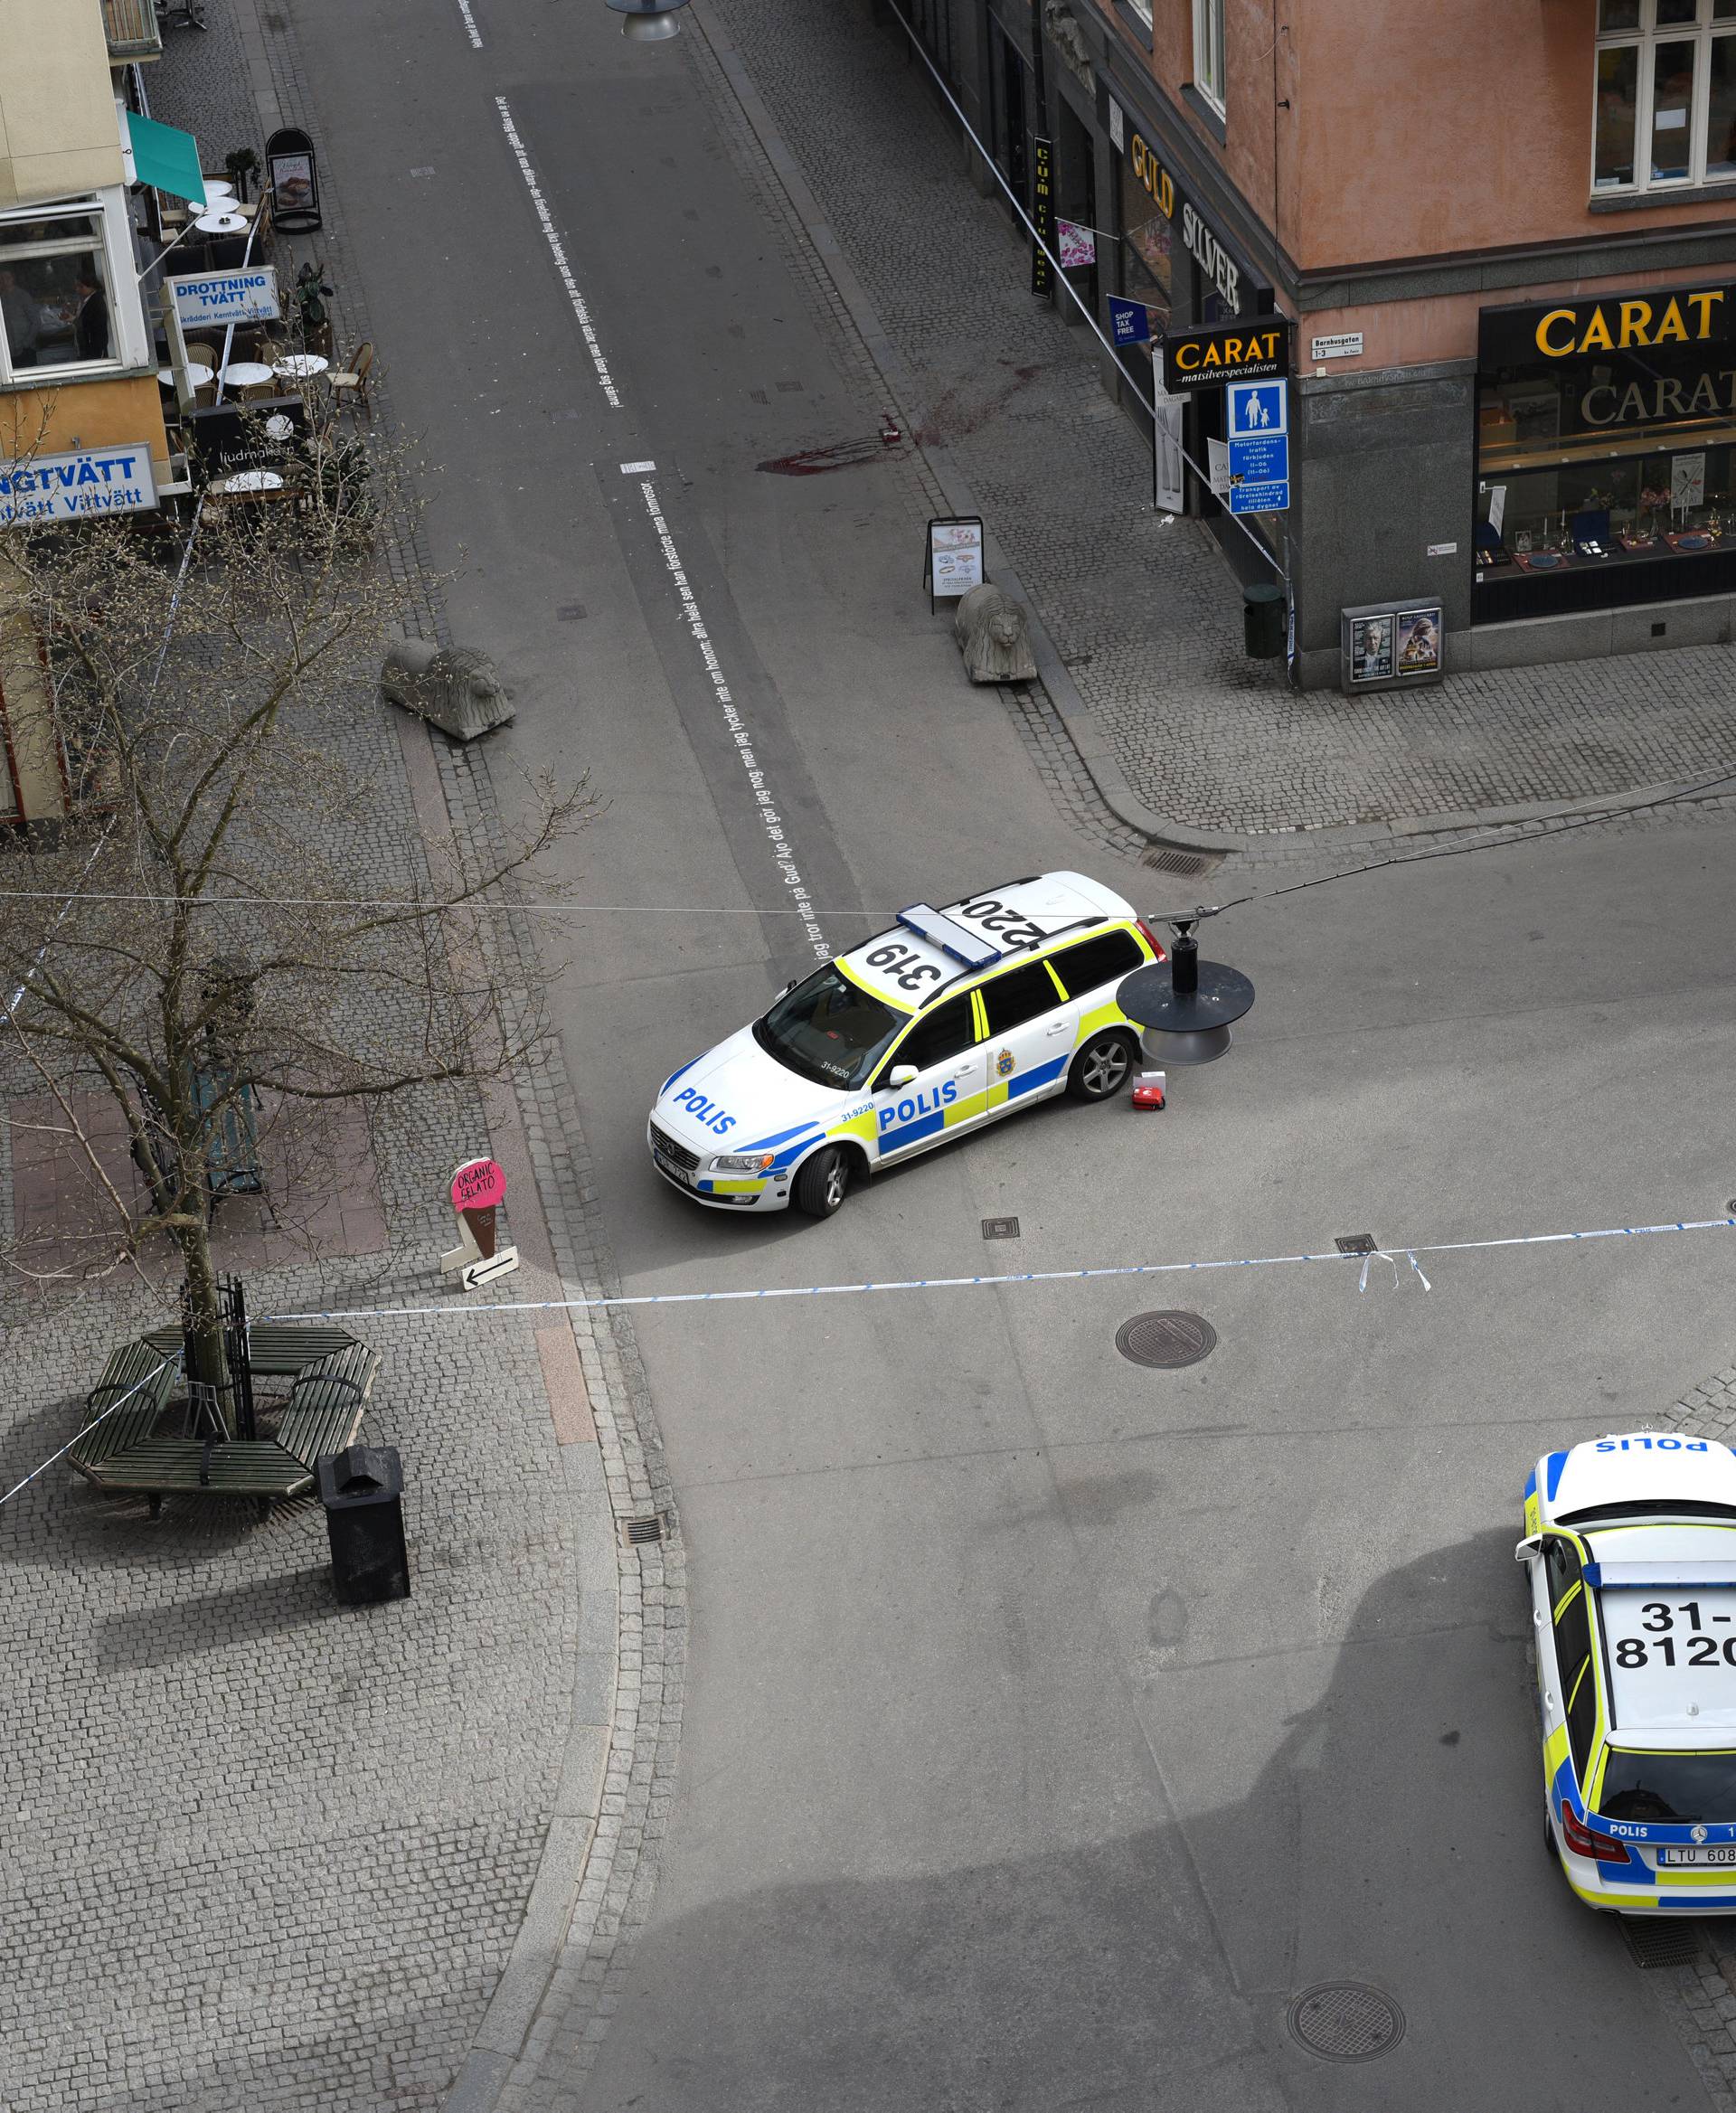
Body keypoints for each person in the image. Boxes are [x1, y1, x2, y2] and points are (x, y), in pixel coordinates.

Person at [0, 268, 43, 367]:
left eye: (7, 278)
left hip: (26, 350)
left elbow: (36, 321)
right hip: (8, 353)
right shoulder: (1, 298)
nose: (5, 281)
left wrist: (26, 344)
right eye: (2, 279)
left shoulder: (23, 296)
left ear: (13, 279)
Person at [73, 269, 108, 361]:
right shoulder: (87, 300)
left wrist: (74, 320)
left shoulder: (96, 301)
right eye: (76, 286)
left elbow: (90, 323)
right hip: (90, 346)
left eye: (81, 286)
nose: (77, 290)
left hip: (94, 348)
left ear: (91, 285)